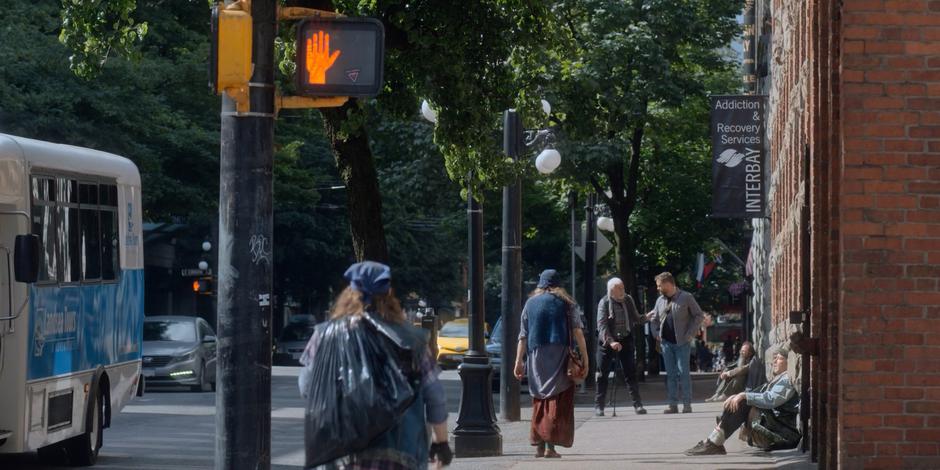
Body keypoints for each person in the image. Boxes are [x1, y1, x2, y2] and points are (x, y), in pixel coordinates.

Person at [298, 261, 452, 469]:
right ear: (389, 294)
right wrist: (441, 442)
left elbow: (307, 385)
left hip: (343, 451)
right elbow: (434, 394)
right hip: (400, 452)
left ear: (349, 293)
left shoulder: (325, 335)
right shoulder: (411, 340)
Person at [514, 269, 589, 458]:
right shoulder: (567, 303)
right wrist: (585, 357)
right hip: (559, 353)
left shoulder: (530, 303)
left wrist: (518, 361)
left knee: (540, 398)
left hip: (536, 354)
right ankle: (550, 447)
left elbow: (523, 336)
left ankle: (539, 444)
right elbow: (578, 331)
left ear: (540, 284)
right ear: (558, 285)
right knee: (556, 398)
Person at [685, 346, 801, 455]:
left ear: (789, 362)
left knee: (743, 402)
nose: (774, 362)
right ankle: (713, 439)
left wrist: (744, 396)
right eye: (774, 358)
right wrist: (738, 396)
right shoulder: (780, 378)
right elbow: (762, 394)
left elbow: (771, 399)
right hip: (774, 426)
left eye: (779, 358)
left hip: (783, 434)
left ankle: (714, 441)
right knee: (738, 401)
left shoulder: (787, 379)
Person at [646, 272, 706, 413]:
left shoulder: (686, 297)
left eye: (660, 286)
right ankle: (672, 404)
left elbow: (699, 315)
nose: (658, 288)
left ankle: (687, 404)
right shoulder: (660, 300)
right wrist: (656, 334)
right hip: (666, 343)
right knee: (670, 374)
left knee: (683, 373)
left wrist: (690, 334)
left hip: (682, 343)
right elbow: (654, 319)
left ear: (668, 284)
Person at [594, 277, 648, 416]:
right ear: (612, 290)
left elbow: (636, 318)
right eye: (620, 288)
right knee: (602, 374)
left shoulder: (628, 299)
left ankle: (638, 405)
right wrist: (611, 341)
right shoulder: (604, 302)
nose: (623, 290)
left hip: (625, 339)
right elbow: (602, 325)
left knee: (630, 373)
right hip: (608, 342)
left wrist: (646, 317)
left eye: (623, 287)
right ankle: (599, 406)